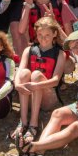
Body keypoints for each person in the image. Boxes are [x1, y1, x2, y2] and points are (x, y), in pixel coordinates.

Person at [11, 17, 67, 149]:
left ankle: (34, 124)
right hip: (31, 97)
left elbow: (55, 81)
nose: (44, 38)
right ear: (36, 34)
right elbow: (19, 74)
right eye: (40, 35)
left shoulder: (59, 53)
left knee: (36, 75)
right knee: (24, 73)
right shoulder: (28, 50)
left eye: (47, 35)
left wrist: (35, 85)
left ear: (54, 34)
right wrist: (18, 85)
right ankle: (23, 121)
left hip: (48, 99)